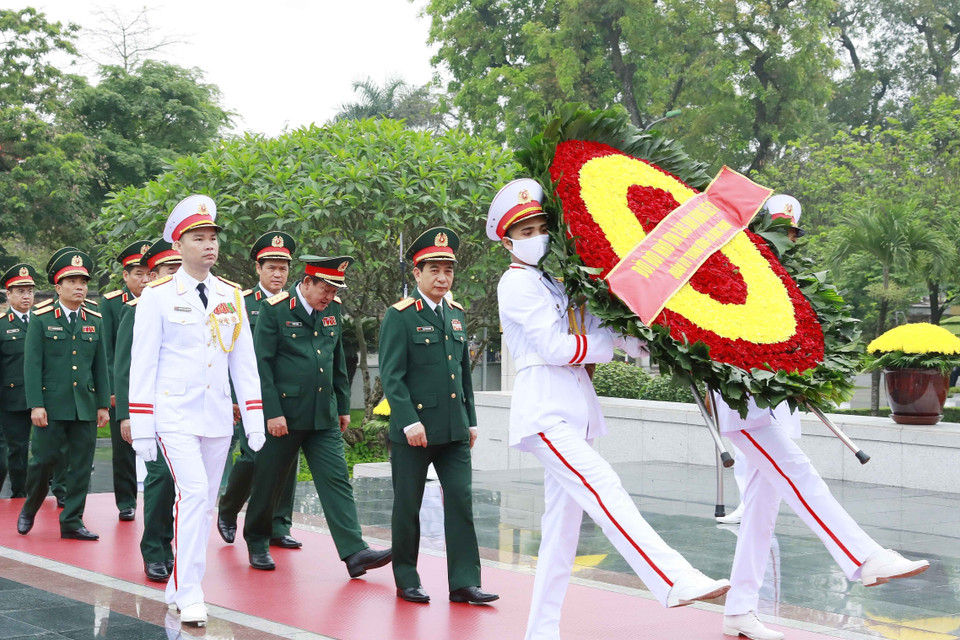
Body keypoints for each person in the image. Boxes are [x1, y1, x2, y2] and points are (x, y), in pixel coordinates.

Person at [488, 179, 731, 640]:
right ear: (507, 241)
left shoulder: (558, 283)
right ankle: (673, 578)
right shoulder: (514, 283)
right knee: (605, 487)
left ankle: (541, 633)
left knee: (561, 533)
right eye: (525, 231)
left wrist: (645, 336)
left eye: (541, 226)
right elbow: (555, 347)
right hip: (545, 412)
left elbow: (608, 331)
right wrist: (610, 345)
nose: (536, 235)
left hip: (573, 411)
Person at [712, 195, 929, 640]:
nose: (784, 242)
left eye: (790, 234)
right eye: (776, 232)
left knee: (759, 515)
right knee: (801, 475)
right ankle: (863, 557)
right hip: (743, 407)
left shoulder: (789, 280)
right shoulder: (731, 270)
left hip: (775, 408)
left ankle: (740, 611)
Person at [128, 194, 265, 626]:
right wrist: (144, 426)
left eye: (213, 238)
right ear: (179, 245)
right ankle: (190, 592)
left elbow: (243, 361)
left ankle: (176, 582)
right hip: (174, 415)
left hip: (216, 416)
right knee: (195, 495)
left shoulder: (230, 294)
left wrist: (254, 417)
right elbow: (142, 362)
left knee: (203, 505)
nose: (209, 245)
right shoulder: (158, 295)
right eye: (199, 238)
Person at [242, 254, 392, 576]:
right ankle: (257, 540)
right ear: (307, 283)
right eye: (325, 289)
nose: (330, 297)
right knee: (269, 481)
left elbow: (337, 360)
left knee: (337, 479)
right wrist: (271, 413)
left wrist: (341, 407)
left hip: (322, 414)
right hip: (284, 415)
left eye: (335, 291)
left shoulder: (332, 310)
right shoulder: (274, 310)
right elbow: (261, 366)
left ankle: (355, 552)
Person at [379, 227, 498, 605]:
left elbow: (463, 376)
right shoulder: (399, 317)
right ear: (417, 273)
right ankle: (407, 577)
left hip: (454, 430)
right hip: (414, 430)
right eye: (434, 270)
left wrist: (472, 420)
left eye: (448, 270)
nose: (442, 278)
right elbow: (391, 376)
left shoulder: (457, 316)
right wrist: (409, 420)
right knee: (408, 504)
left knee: (461, 500)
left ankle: (464, 582)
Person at [17, 248, 109, 540]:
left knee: (81, 466)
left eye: (83, 281)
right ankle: (30, 507)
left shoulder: (94, 318)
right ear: (58, 287)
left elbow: (100, 366)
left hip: (84, 405)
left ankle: (72, 521)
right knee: (42, 461)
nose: (79, 286)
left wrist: (103, 404)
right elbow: (32, 366)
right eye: (72, 281)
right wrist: (35, 405)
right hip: (51, 406)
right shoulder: (41, 319)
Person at [218, 231, 300, 550]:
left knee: (287, 460)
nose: (278, 274)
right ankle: (228, 510)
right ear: (258, 269)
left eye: (283, 268)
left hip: (289, 395)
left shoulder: (296, 304)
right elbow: (226, 351)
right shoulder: (242, 303)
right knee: (253, 457)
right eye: (271, 268)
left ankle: (279, 524)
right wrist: (232, 398)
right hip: (251, 394)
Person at [114, 239, 182, 582]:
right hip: (153, 410)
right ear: (154, 276)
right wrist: (127, 414)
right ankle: (155, 549)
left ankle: (177, 549)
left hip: (189, 410)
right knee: (162, 477)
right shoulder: (136, 309)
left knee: (190, 486)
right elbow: (125, 366)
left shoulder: (198, 306)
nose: (178, 275)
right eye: (171, 269)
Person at [101, 240, 151, 522]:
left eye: (148, 274)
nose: (144, 280)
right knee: (123, 447)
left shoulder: (160, 298)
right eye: (137, 274)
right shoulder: (111, 304)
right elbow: (107, 352)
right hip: (124, 385)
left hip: (154, 385)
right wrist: (111, 389)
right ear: (125, 275)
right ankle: (126, 501)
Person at [0, 263, 40, 498]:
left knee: (49, 450)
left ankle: (52, 490)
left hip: (43, 397)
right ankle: (19, 495)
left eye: (30, 291)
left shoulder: (42, 320)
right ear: (9, 294)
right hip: (12, 398)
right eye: (21, 291)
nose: (27, 296)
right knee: (17, 450)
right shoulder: (2, 324)